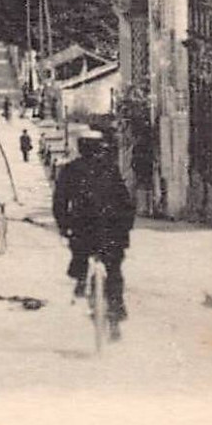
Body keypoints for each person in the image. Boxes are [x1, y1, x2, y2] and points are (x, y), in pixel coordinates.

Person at [52, 135, 135, 336]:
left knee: (79, 255)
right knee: (114, 272)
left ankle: (81, 280)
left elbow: (59, 203)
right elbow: (126, 202)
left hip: (83, 229)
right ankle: (115, 318)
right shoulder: (110, 168)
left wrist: (64, 227)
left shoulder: (70, 170)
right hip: (111, 231)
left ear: (80, 149)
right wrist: (125, 228)